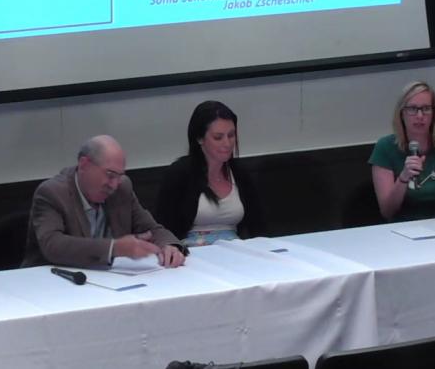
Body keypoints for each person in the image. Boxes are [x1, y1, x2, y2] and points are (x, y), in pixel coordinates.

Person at [21, 135, 186, 269]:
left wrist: (169, 246)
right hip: (52, 283)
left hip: (108, 281)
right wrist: (114, 248)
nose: (114, 184)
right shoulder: (52, 193)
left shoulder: (122, 188)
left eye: (119, 176)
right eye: (110, 174)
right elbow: (53, 245)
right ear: (84, 164)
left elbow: (151, 229)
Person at [155, 101, 264, 247]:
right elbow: (163, 229)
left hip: (235, 252)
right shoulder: (179, 174)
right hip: (190, 254)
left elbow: (259, 226)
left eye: (231, 135)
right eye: (218, 137)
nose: (227, 143)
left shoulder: (240, 173)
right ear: (200, 138)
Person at [370, 81, 435, 221]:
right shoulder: (385, 147)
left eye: (426, 108)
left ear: (434, 113)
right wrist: (403, 178)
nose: (420, 116)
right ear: (402, 113)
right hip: (405, 229)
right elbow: (387, 212)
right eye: (412, 109)